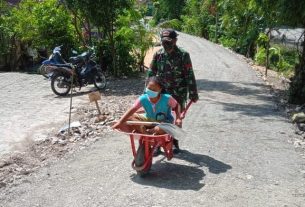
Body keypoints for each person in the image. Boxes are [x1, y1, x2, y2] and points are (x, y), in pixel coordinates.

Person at [147, 28, 199, 152]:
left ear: (175, 41)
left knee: (177, 118)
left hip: (178, 92)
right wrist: (148, 90)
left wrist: (193, 93)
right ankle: (157, 143)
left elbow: (189, 75)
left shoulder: (183, 55)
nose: (166, 45)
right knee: (159, 116)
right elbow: (151, 73)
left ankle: (174, 142)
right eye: (164, 42)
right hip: (162, 92)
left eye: (169, 42)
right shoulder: (158, 54)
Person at [112, 76, 181, 135]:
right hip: (148, 120)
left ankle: (149, 131)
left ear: (160, 90)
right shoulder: (143, 98)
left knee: (159, 129)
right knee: (128, 117)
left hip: (164, 121)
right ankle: (143, 130)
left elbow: (177, 105)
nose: (151, 91)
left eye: (154, 90)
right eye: (149, 89)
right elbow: (132, 109)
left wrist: (178, 118)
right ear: (146, 87)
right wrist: (119, 122)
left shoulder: (167, 98)